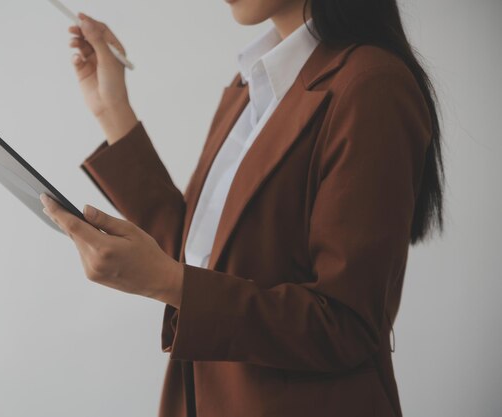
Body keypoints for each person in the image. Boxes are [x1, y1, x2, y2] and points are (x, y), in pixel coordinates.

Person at [40, 0, 445, 416]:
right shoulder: (255, 81)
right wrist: (112, 108)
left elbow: (345, 325)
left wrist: (168, 282)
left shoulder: (371, 83)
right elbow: (202, 253)